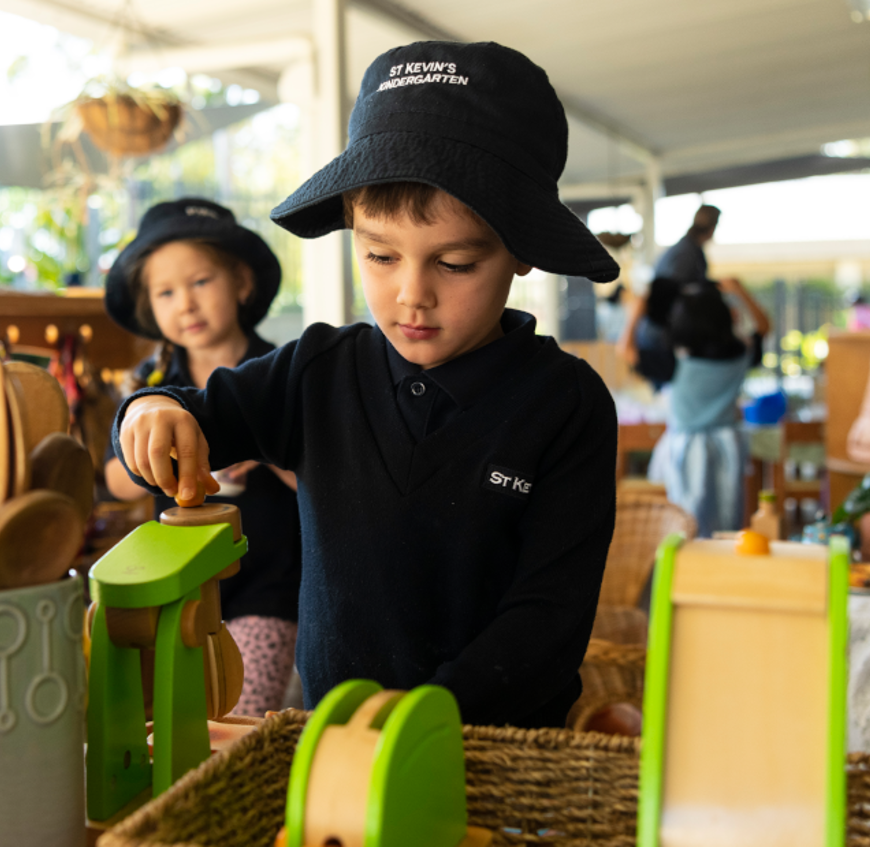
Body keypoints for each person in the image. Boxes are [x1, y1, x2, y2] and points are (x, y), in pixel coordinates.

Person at [110, 41, 620, 728]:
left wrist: (421, 715)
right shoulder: (317, 370)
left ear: (520, 247)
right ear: (351, 227)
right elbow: (195, 414)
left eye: (457, 262)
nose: (413, 295)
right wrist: (150, 410)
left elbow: (549, 618)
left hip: (502, 746)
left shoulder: (566, 405)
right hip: (338, 742)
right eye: (379, 255)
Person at [101, 198, 301, 718]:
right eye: (165, 292)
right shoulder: (149, 390)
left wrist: (267, 449)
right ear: (149, 307)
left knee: (237, 720)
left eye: (201, 283)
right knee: (169, 721)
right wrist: (155, 458)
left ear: (241, 282)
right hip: (174, 590)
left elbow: (325, 478)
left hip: (268, 587)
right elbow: (115, 482)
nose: (185, 304)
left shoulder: (282, 374)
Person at [648, 279, 772, 536]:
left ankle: (689, 570)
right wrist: (739, 289)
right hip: (728, 443)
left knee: (687, 519)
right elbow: (764, 327)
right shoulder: (740, 354)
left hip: (685, 444)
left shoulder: (674, 359)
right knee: (727, 518)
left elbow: (626, 350)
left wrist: (638, 305)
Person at [617, 205, 724, 389]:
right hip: (661, 334)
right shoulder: (687, 254)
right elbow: (674, 294)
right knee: (668, 386)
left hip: (660, 331)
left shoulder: (685, 249)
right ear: (712, 228)